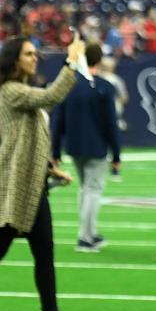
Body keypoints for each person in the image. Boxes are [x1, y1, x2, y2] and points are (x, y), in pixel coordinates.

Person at [0, 35, 86, 311]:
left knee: (44, 255)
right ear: (14, 59)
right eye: (29, 54)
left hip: (34, 187)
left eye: (35, 54)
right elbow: (51, 96)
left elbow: (29, 138)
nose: (35, 58)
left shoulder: (21, 91)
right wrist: (71, 61)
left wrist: (50, 169)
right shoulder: (9, 91)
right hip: (11, 187)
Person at [51, 42, 121, 253]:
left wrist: (55, 150)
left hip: (73, 146)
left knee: (85, 189)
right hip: (96, 147)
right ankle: (85, 237)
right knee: (93, 191)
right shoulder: (104, 86)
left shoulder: (70, 84)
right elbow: (111, 123)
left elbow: (58, 120)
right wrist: (116, 154)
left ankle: (89, 232)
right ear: (99, 60)